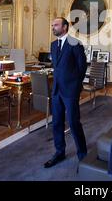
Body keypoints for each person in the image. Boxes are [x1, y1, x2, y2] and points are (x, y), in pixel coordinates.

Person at [43, 17, 88, 168]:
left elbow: (82, 68)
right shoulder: (53, 45)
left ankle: (82, 154)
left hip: (70, 90)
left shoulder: (75, 44)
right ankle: (59, 152)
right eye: (52, 25)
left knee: (74, 123)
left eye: (56, 25)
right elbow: (57, 67)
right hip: (56, 90)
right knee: (56, 123)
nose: (53, 27)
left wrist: (75, 86)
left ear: (65, 27)